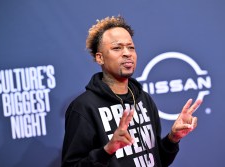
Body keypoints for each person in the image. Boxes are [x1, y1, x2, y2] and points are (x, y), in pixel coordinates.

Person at [61, 16, 202, 167]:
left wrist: (173, 138)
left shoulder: (143, 99)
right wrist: (107, 150)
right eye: (117, 48)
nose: (127, 53)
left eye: (131, 47)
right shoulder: (83, 107)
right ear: (100, 58)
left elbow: (157, 160)